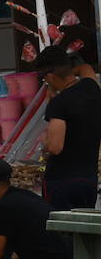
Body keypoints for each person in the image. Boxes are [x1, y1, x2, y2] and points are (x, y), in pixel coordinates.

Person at [37, 45, 101, 211]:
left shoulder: (59, 103)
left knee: (61, 234)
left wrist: (45, 143)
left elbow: (55, 147)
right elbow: (86, 67)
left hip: (62, 180)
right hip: (88, 178)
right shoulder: (92, 88)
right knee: (84, 229)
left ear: (50, 76)